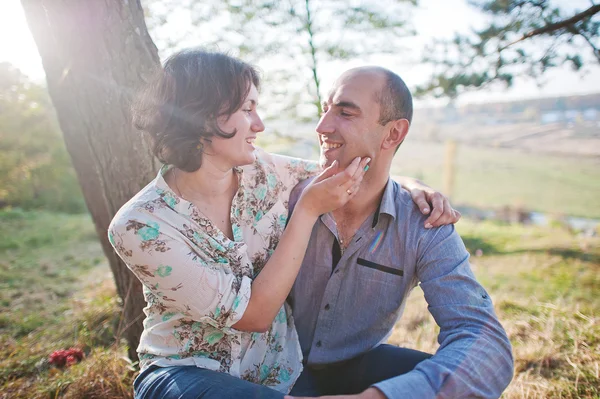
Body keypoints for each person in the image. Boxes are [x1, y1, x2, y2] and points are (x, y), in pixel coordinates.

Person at [108, 50, 459, 399]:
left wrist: (415, 188)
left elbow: (355, 172)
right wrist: (306, 211)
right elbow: (253, 315)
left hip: (281, 376)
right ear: (200, 116)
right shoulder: (140, 225)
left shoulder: (268, 173)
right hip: (187, 374)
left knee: (443, 384)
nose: (259, 125)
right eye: (247, 109)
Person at [286, 67, 514, 399]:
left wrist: (381, 397)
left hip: (362, 368)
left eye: (345, 112)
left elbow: (483, 339)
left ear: (393, 134)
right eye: (325, 110)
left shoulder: (425, 224)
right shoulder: (284, 195)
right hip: (273, 366)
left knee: (461, 387)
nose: (322, 127)